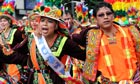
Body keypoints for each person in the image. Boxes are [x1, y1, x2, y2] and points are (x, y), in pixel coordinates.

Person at [72, 1, 140, 84]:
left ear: (113, 16)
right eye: (101, 15)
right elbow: (72, 42)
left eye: (108, 14)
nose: (106, 17)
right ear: (95, 18)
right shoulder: (91, 35)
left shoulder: (131, 31)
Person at [0, 12, 29, 83]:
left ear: (9, 22)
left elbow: (24, 49)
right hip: (4, 66)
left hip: (17, 64)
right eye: (1, 21)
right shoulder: (1, 34)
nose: (2, 23)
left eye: (4, 21)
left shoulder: (16, 32)